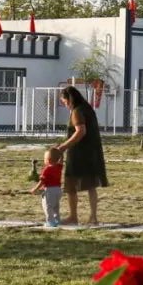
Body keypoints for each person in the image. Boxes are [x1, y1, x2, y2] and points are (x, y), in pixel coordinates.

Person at [57, 85, 109, 225]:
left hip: (79, 153)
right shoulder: (87, 109)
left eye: (65, 102)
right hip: (92, 152)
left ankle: (73, 216)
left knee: (70, 185)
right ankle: (93, 217)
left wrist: (63, 147)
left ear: (70, 99)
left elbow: (80, 131)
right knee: (91, 185)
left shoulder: (77, 111)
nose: (66, 105)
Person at [31, 145, 65, 228]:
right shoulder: (58, 167)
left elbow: (42, 181)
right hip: (58, 190)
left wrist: (35, 189)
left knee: (48, 206)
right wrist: (61, 153)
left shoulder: (47, 169)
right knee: (56, 206)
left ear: (48, 160)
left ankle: (50, 222)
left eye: (44, 159)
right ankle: (57, 220)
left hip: (49, 190)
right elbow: (61, 161)